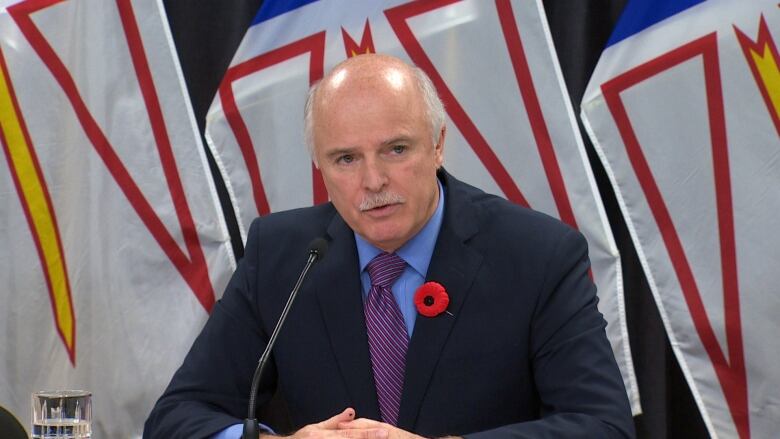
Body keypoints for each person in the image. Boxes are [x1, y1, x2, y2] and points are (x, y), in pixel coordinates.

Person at [144, 54, 635, 438]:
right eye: (345, 159)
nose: (373, 180)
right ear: (319, 166)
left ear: (438, 144)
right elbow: (174, 420)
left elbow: (602, 426)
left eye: (396, 150)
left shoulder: (538, 255)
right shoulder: (282, 256)